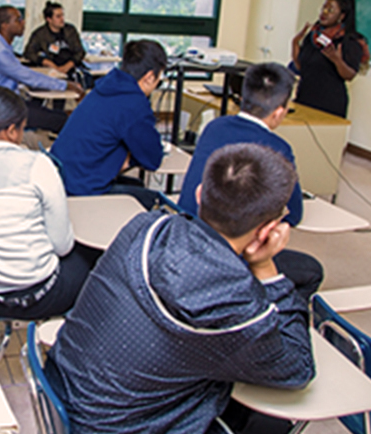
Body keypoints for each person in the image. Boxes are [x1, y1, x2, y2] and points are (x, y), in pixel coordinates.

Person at [46, 143, 314, 434]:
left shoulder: (145, 226)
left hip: (64, 398)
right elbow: (298, 368)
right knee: (270, 425)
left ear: (200, 194)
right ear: (266, 231)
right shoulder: (236, 305)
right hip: (119, 428)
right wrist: (265, 268)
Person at [0, 86, 101, 319]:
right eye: (22, 129)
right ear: (12, 130)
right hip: (35, 296)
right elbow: (61, 245)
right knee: (90, 257)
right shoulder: (37, 165)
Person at [178, 62, 323, 302]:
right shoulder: (278, 148)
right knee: (311, 270)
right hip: (232, 254)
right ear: (278, 112)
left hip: (189, 237)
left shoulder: (215, 127)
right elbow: (294, 213)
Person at [50, 39, 165, 207]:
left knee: (136, 186)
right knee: (155, 200)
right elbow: (153, 159)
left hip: (61, 179)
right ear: (149, 77)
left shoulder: (105, 87)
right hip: (83, 190)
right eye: (158, 80)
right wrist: (129, 158)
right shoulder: (133, 103)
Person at [0, 6, 83, 134]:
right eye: (18, 20)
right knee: (60, 119)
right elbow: (29, 77)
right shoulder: (0, 52)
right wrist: (66, 85)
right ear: (5, 25)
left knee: (46, 110)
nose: (23, 22)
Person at [292, 0, 370, 118]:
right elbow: (302, 67)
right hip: (305, 98)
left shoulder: (350, 41)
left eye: (330, 10)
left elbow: (350, 75)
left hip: (328, 104)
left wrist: (336, 60)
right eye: (324, 8)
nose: (324, 12)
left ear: (342, 16)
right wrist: (295, 44)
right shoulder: (314, 35)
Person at [23, 0, 85, 77]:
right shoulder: (40, 34)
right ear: (49, 19)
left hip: (71, 67)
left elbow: (80, 52)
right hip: (50, 69)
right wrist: (47, 62)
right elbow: (28, 53)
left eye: (62, 15)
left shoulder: (70, 30)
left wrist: (68, 66)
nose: (62, 19)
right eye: (58, 16)